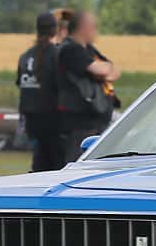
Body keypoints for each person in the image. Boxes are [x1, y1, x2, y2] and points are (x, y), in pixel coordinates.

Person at [54, 10, 118, 163]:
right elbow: (98, 69)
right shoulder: (70, 49)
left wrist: (102, 70)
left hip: (95, 119)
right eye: (94, 27)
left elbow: (114, 70)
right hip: (80, 121)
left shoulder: (89, 50)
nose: (96, 31)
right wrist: (100, 70)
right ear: (84, 28)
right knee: (77, 162)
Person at [17, 10, 63, 172]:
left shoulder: (25, 56)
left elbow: (21, 84)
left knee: (39, 164)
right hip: (53, 121)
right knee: (57, 167)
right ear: (55, 30)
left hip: (31, 122)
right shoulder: (57, 54)